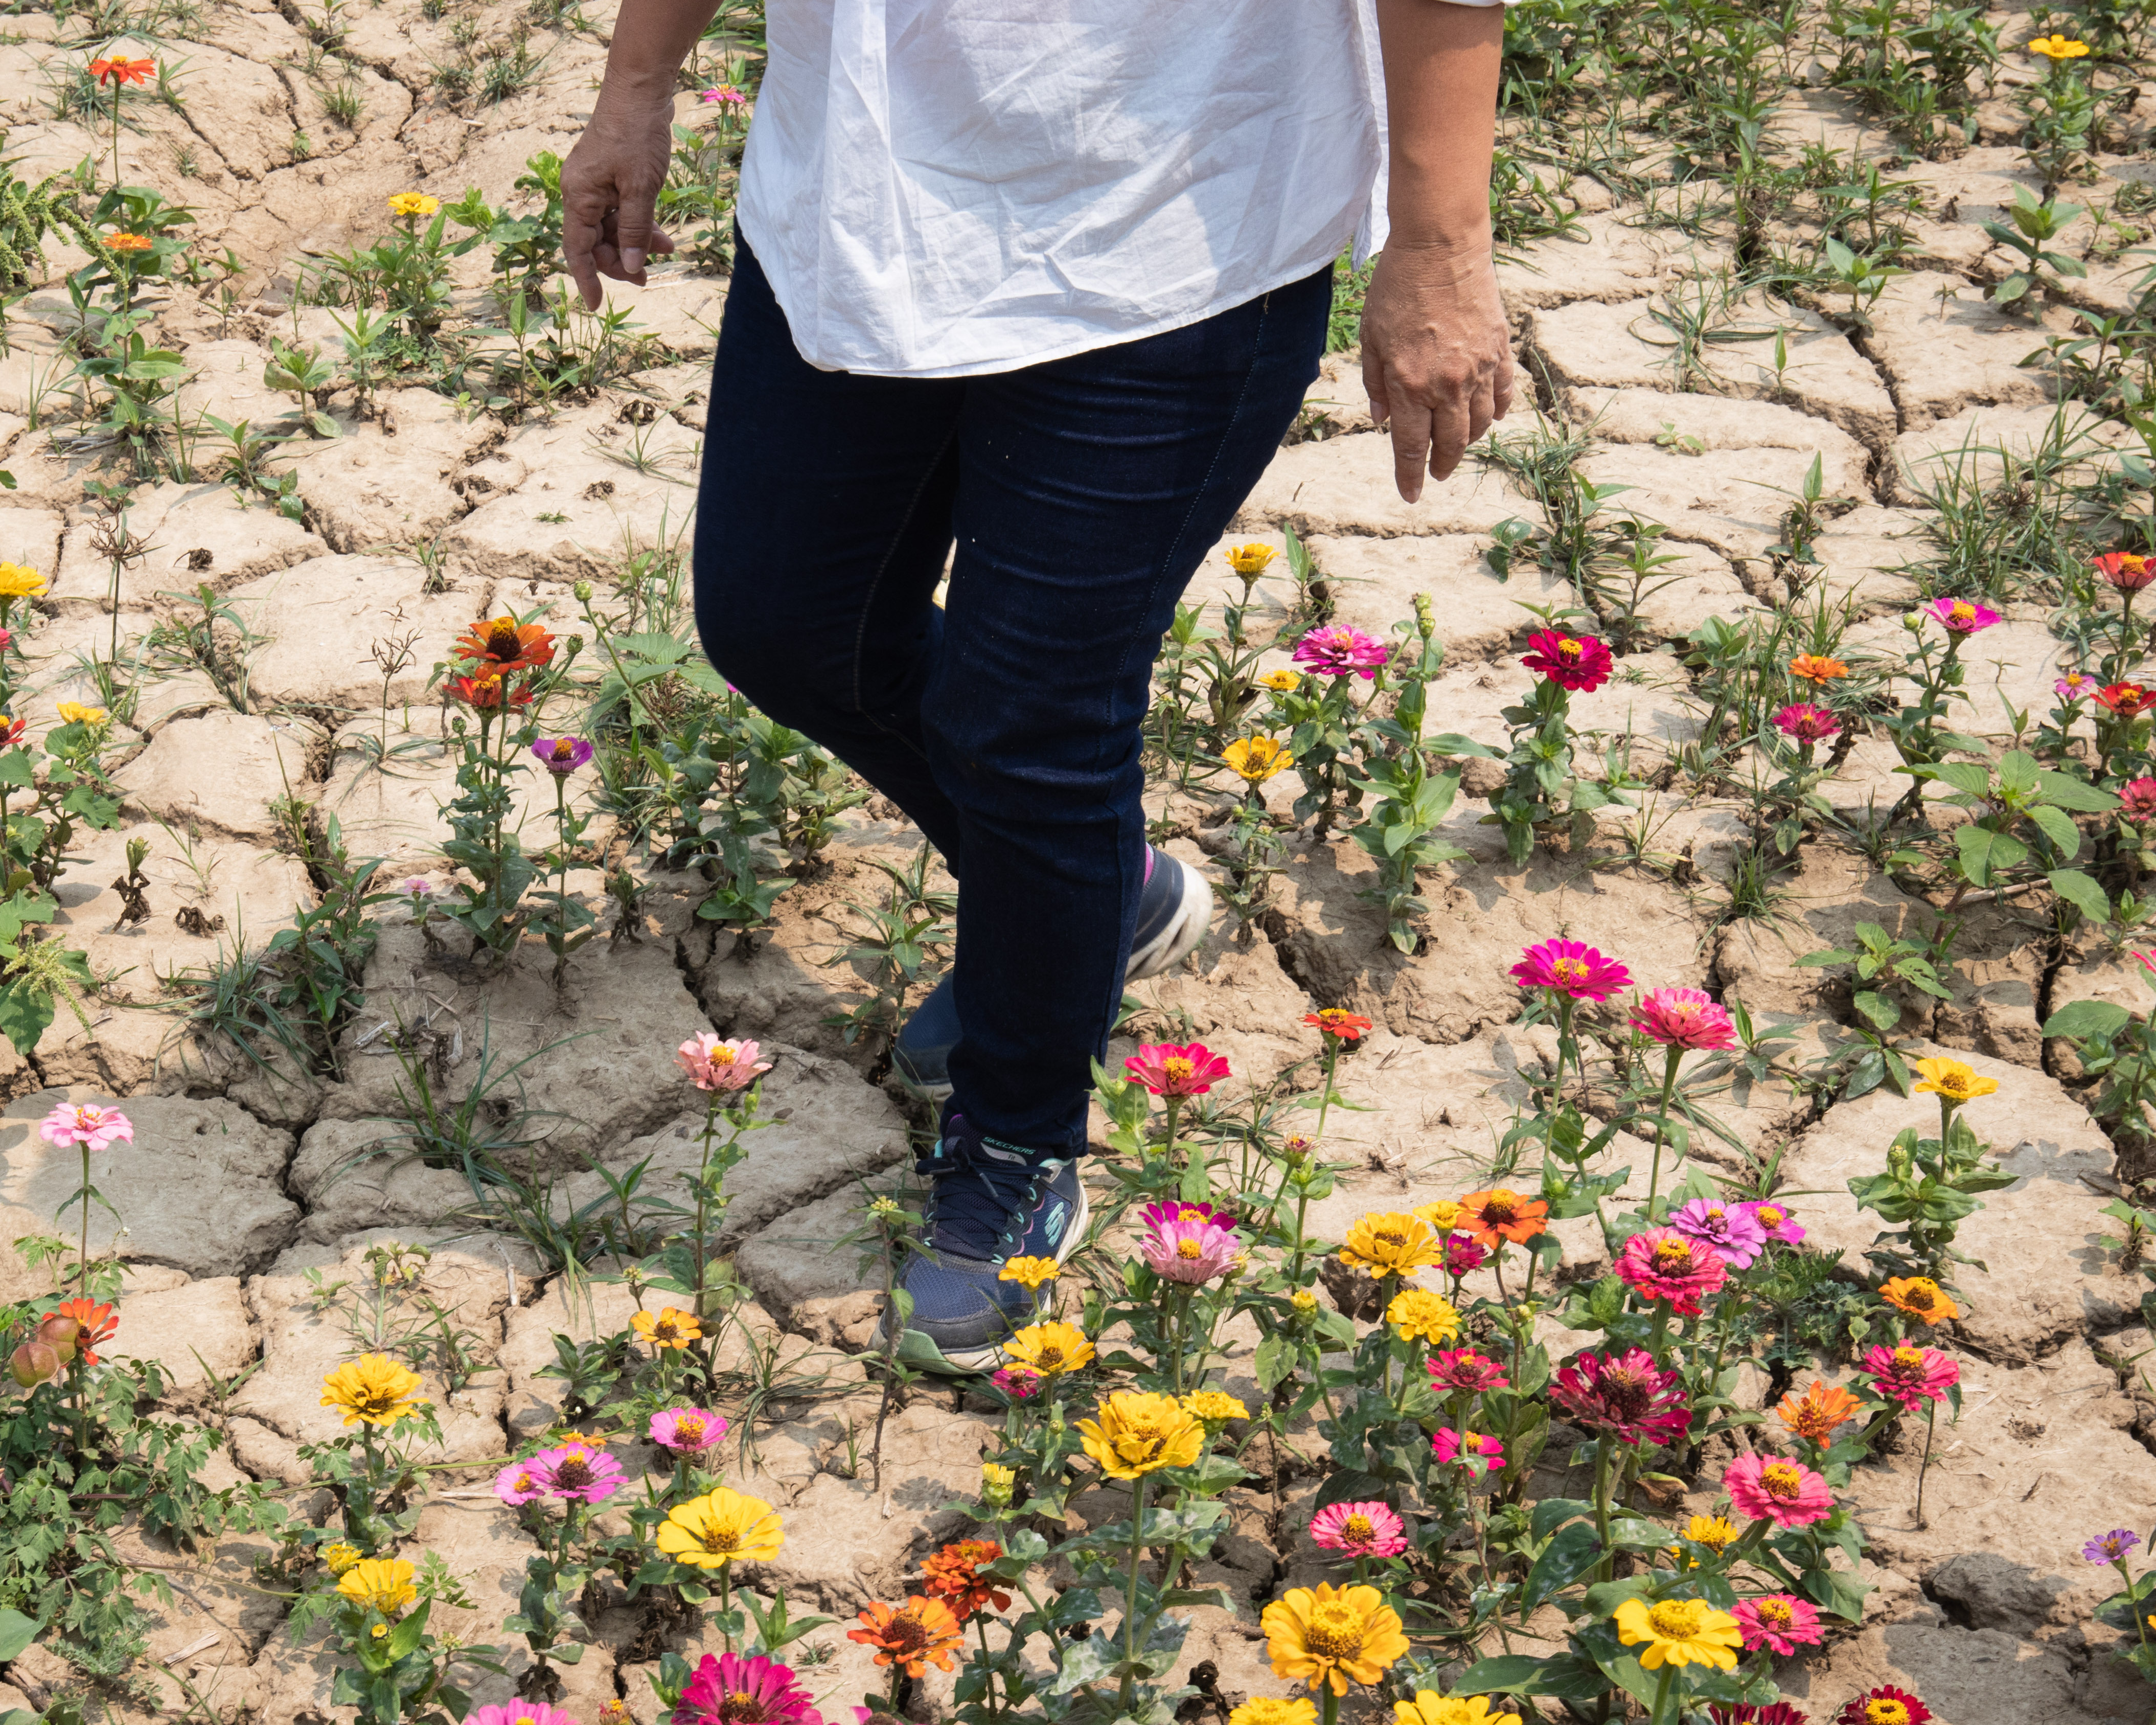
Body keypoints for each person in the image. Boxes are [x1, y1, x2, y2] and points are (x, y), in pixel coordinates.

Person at [561, 1, 1518, 1369]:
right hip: (868, 182)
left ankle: (1015, 1135)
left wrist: (1438, 245)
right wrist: (636, 86)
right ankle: (1093, 899)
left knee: (1032, 719)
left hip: (1179, 220)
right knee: (785, 623)